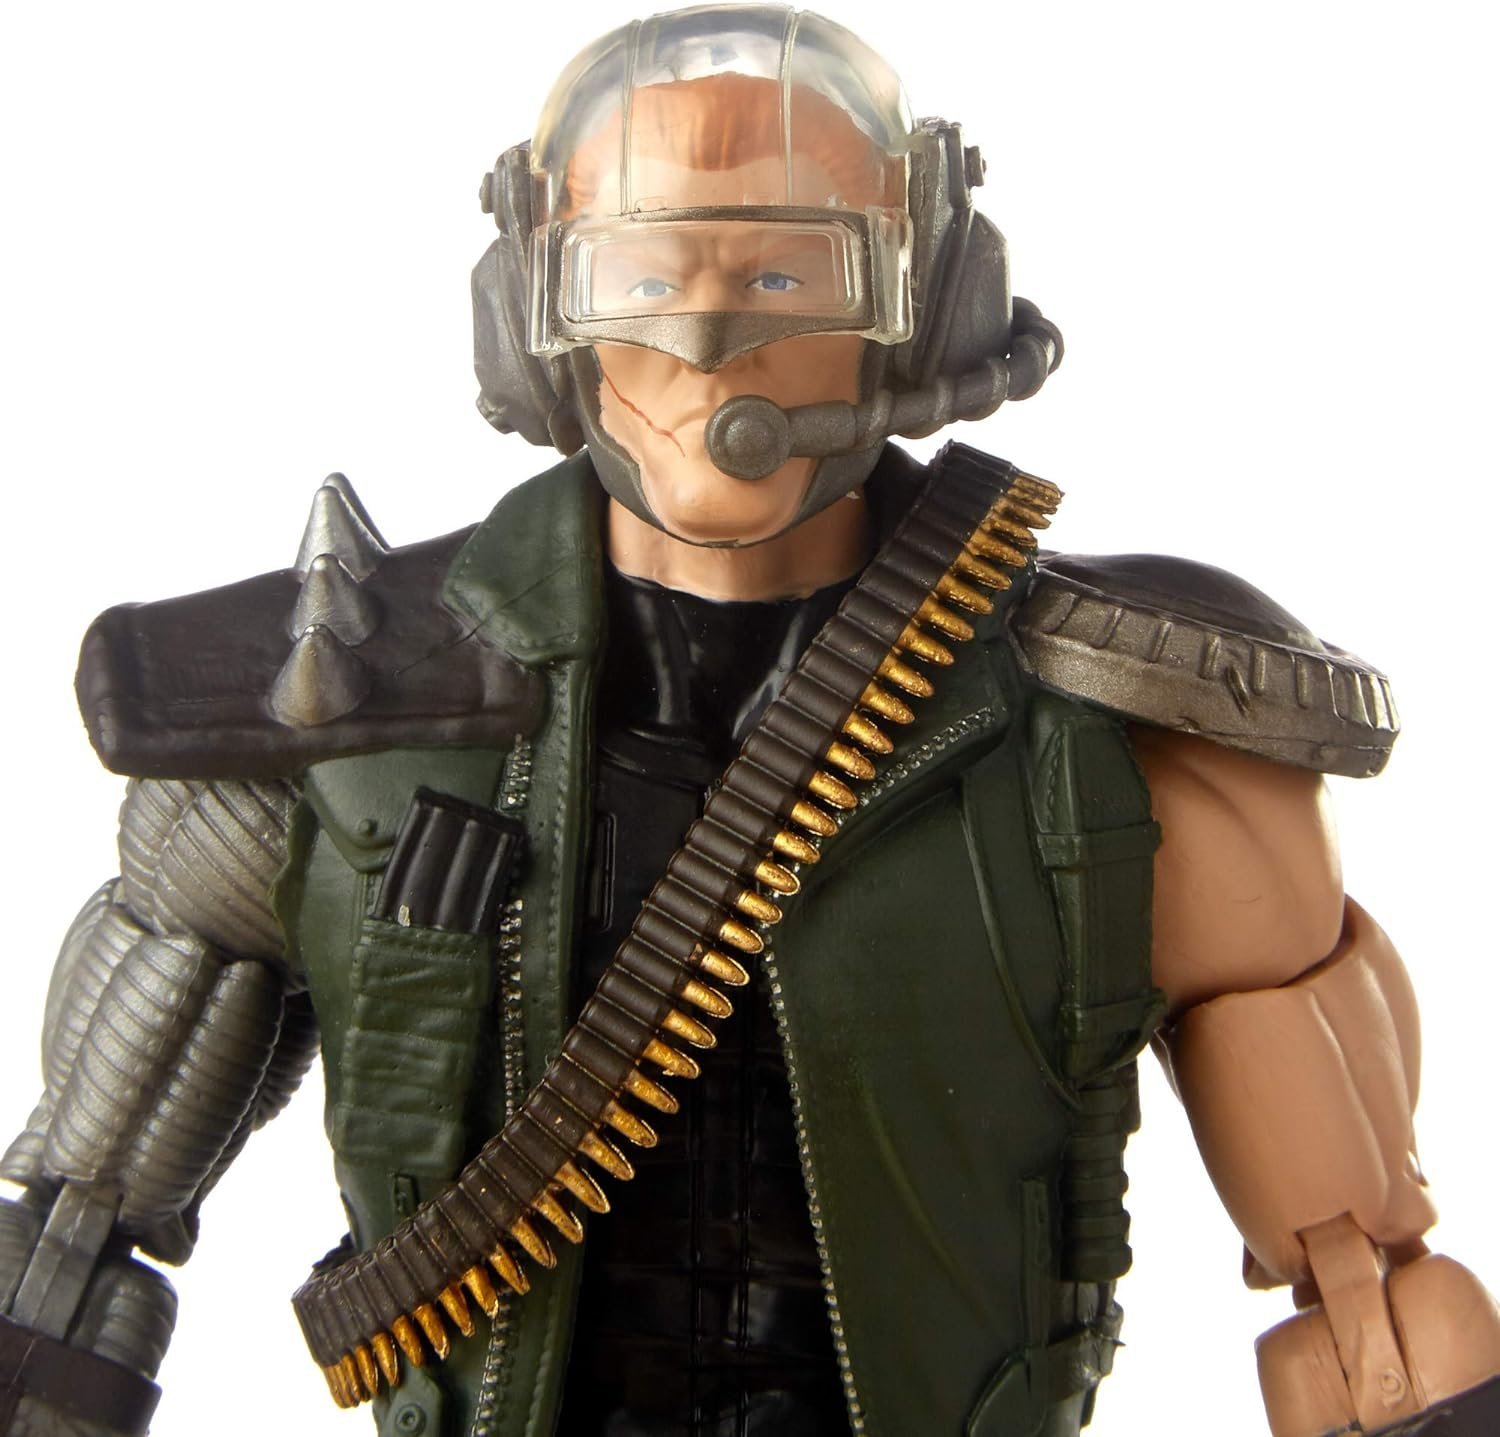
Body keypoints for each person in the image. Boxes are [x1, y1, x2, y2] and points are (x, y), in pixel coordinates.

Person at [2, 7, 1497, 1437]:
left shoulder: (1126, 745)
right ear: (538, 314)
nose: (710, 340)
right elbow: (68, 1252)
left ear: (922, 303)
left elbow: (1367, 1301)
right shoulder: (331, 736)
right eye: (643, 275)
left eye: (787, 274)